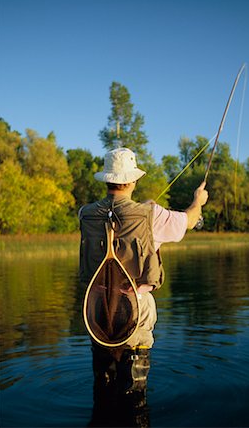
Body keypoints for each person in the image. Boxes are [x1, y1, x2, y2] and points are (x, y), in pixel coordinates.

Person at [79, 147, 208, 413]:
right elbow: (190, 220)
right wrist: (198, 200)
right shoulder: (152, 214)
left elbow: (113, 217)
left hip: (97, 309)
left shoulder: (85, 214)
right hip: (135, 307)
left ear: (106, 179)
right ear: (133, 180)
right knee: (134, 395)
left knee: (102, 388)